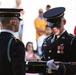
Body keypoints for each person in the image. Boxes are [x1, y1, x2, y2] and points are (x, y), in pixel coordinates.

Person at [42, 7, 76, 75]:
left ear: (64, 22)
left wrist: (59, 68)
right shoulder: (47, 40)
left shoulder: (71, 41)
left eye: (57, 25)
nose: (54, 28)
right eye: (52, 26)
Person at [0, 8, 25, 75]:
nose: (19, 23)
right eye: (18, 20)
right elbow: (18, 71)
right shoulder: (16, 44)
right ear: (13, 22)